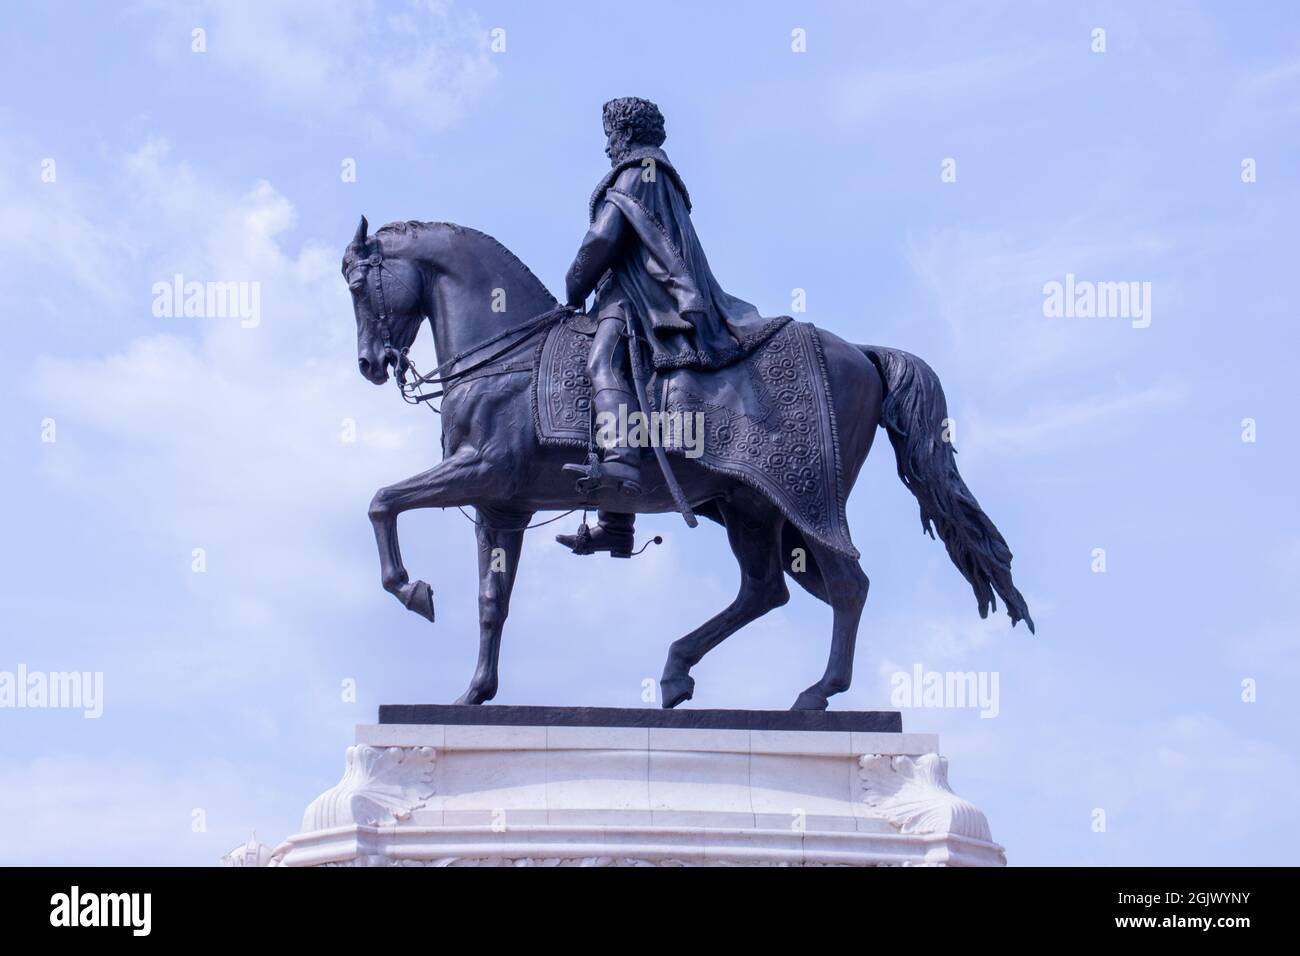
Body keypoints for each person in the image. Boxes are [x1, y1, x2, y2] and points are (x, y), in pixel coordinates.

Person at [556, 97, 786, 556]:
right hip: (635, 293)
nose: (606, 147)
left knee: (602, 363)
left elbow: (603, 237)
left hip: (643, 299)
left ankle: (620, 461)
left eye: (608, 135)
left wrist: (574, 282)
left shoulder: (637, 171)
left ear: (624, 133)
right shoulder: (655, 173)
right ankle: (616, 526)